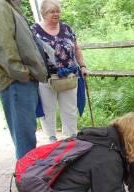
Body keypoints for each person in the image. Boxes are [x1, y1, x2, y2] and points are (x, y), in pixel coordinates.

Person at [0, 0, 48, 159]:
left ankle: (28, 176)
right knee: (25, 139)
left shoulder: (7, 4)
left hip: (20, 80)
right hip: (15, 82)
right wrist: (22, 73)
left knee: (27, 135)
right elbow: (2, 46)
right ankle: (27, 179)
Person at [31, 0, 88, 143]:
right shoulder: (34, 30)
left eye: (57, 11)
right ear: (43, 13)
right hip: (46, 78)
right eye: (52, 11)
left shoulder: (67, 28)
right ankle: (52, 139)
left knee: (69, 109)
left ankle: (71, 139)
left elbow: (76, 48)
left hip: (69, 76)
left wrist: (82, 66)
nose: (56, 14)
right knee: (48, 110)